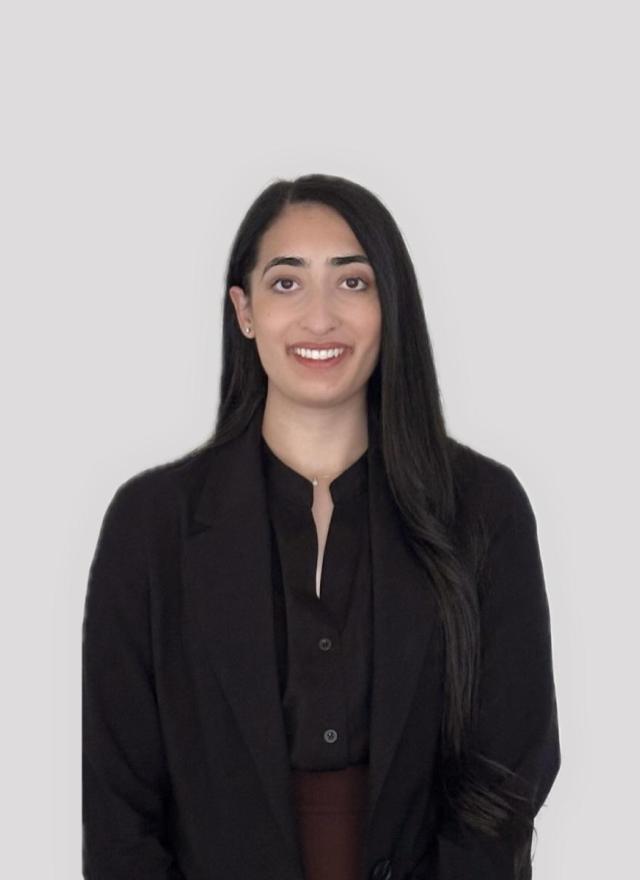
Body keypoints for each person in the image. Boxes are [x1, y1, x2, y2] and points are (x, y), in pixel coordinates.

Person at [82, 173, 561, 880]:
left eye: (352, 282)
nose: (319, 318)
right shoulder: (150, 527)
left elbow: (510, 770)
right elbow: (121, 812)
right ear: (242, 311)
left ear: (389, 304)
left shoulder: (484, 509)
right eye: (285, 284)